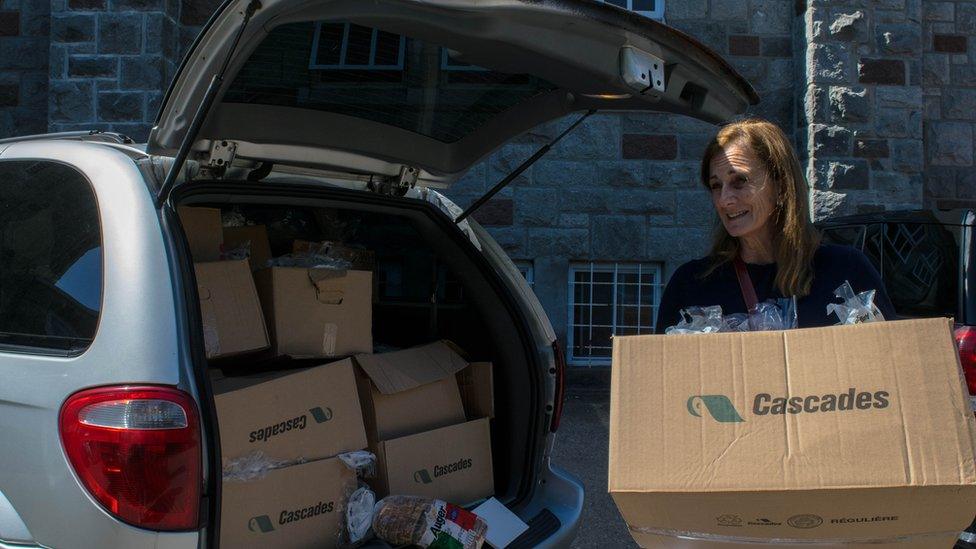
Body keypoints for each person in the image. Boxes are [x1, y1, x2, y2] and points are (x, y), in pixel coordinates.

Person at [655, 118, 895, 333]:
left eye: (740, 181)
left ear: (780, 188)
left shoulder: (845, 273)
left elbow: (888, 365)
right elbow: (666, 375)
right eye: (716, 185)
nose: (725, 199)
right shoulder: (693, 285)